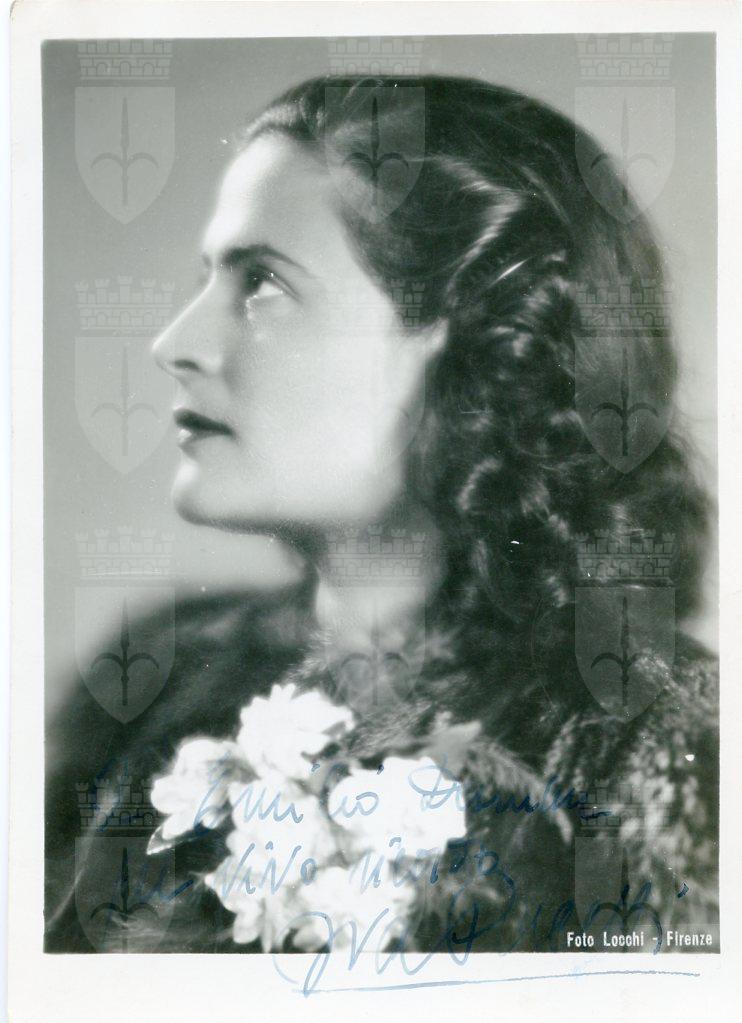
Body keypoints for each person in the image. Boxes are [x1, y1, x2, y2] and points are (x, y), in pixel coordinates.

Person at [45, 74, 718, 955]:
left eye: (265, 284)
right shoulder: (157, 683)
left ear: (474, 337)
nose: (175, 343)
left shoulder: (651, 737)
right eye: (209, 278)